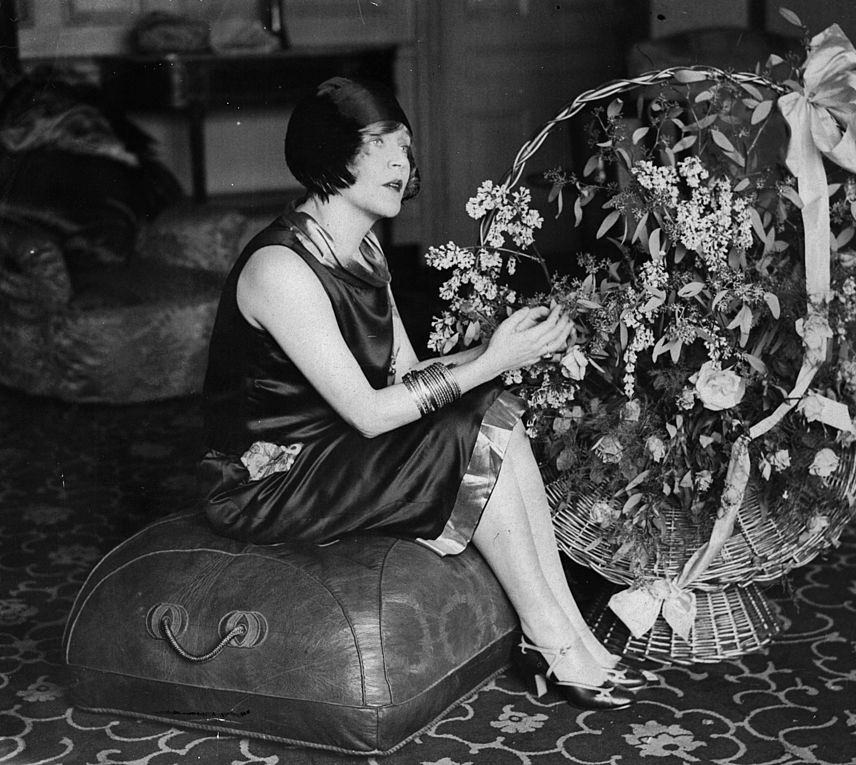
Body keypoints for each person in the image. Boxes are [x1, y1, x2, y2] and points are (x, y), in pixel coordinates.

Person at [198, 76, 651, 710]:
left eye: (404, 148)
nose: (400, 163)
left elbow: (406, 374)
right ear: (330, 153)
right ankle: (550, 640)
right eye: (379, 145)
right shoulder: (281, 268)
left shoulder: (364, 251)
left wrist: (502, 348)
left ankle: (568, 629)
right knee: (468, 434)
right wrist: (489, 360)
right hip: (273, 479)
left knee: (494, 414)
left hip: (334, 449)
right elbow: (368, 412)